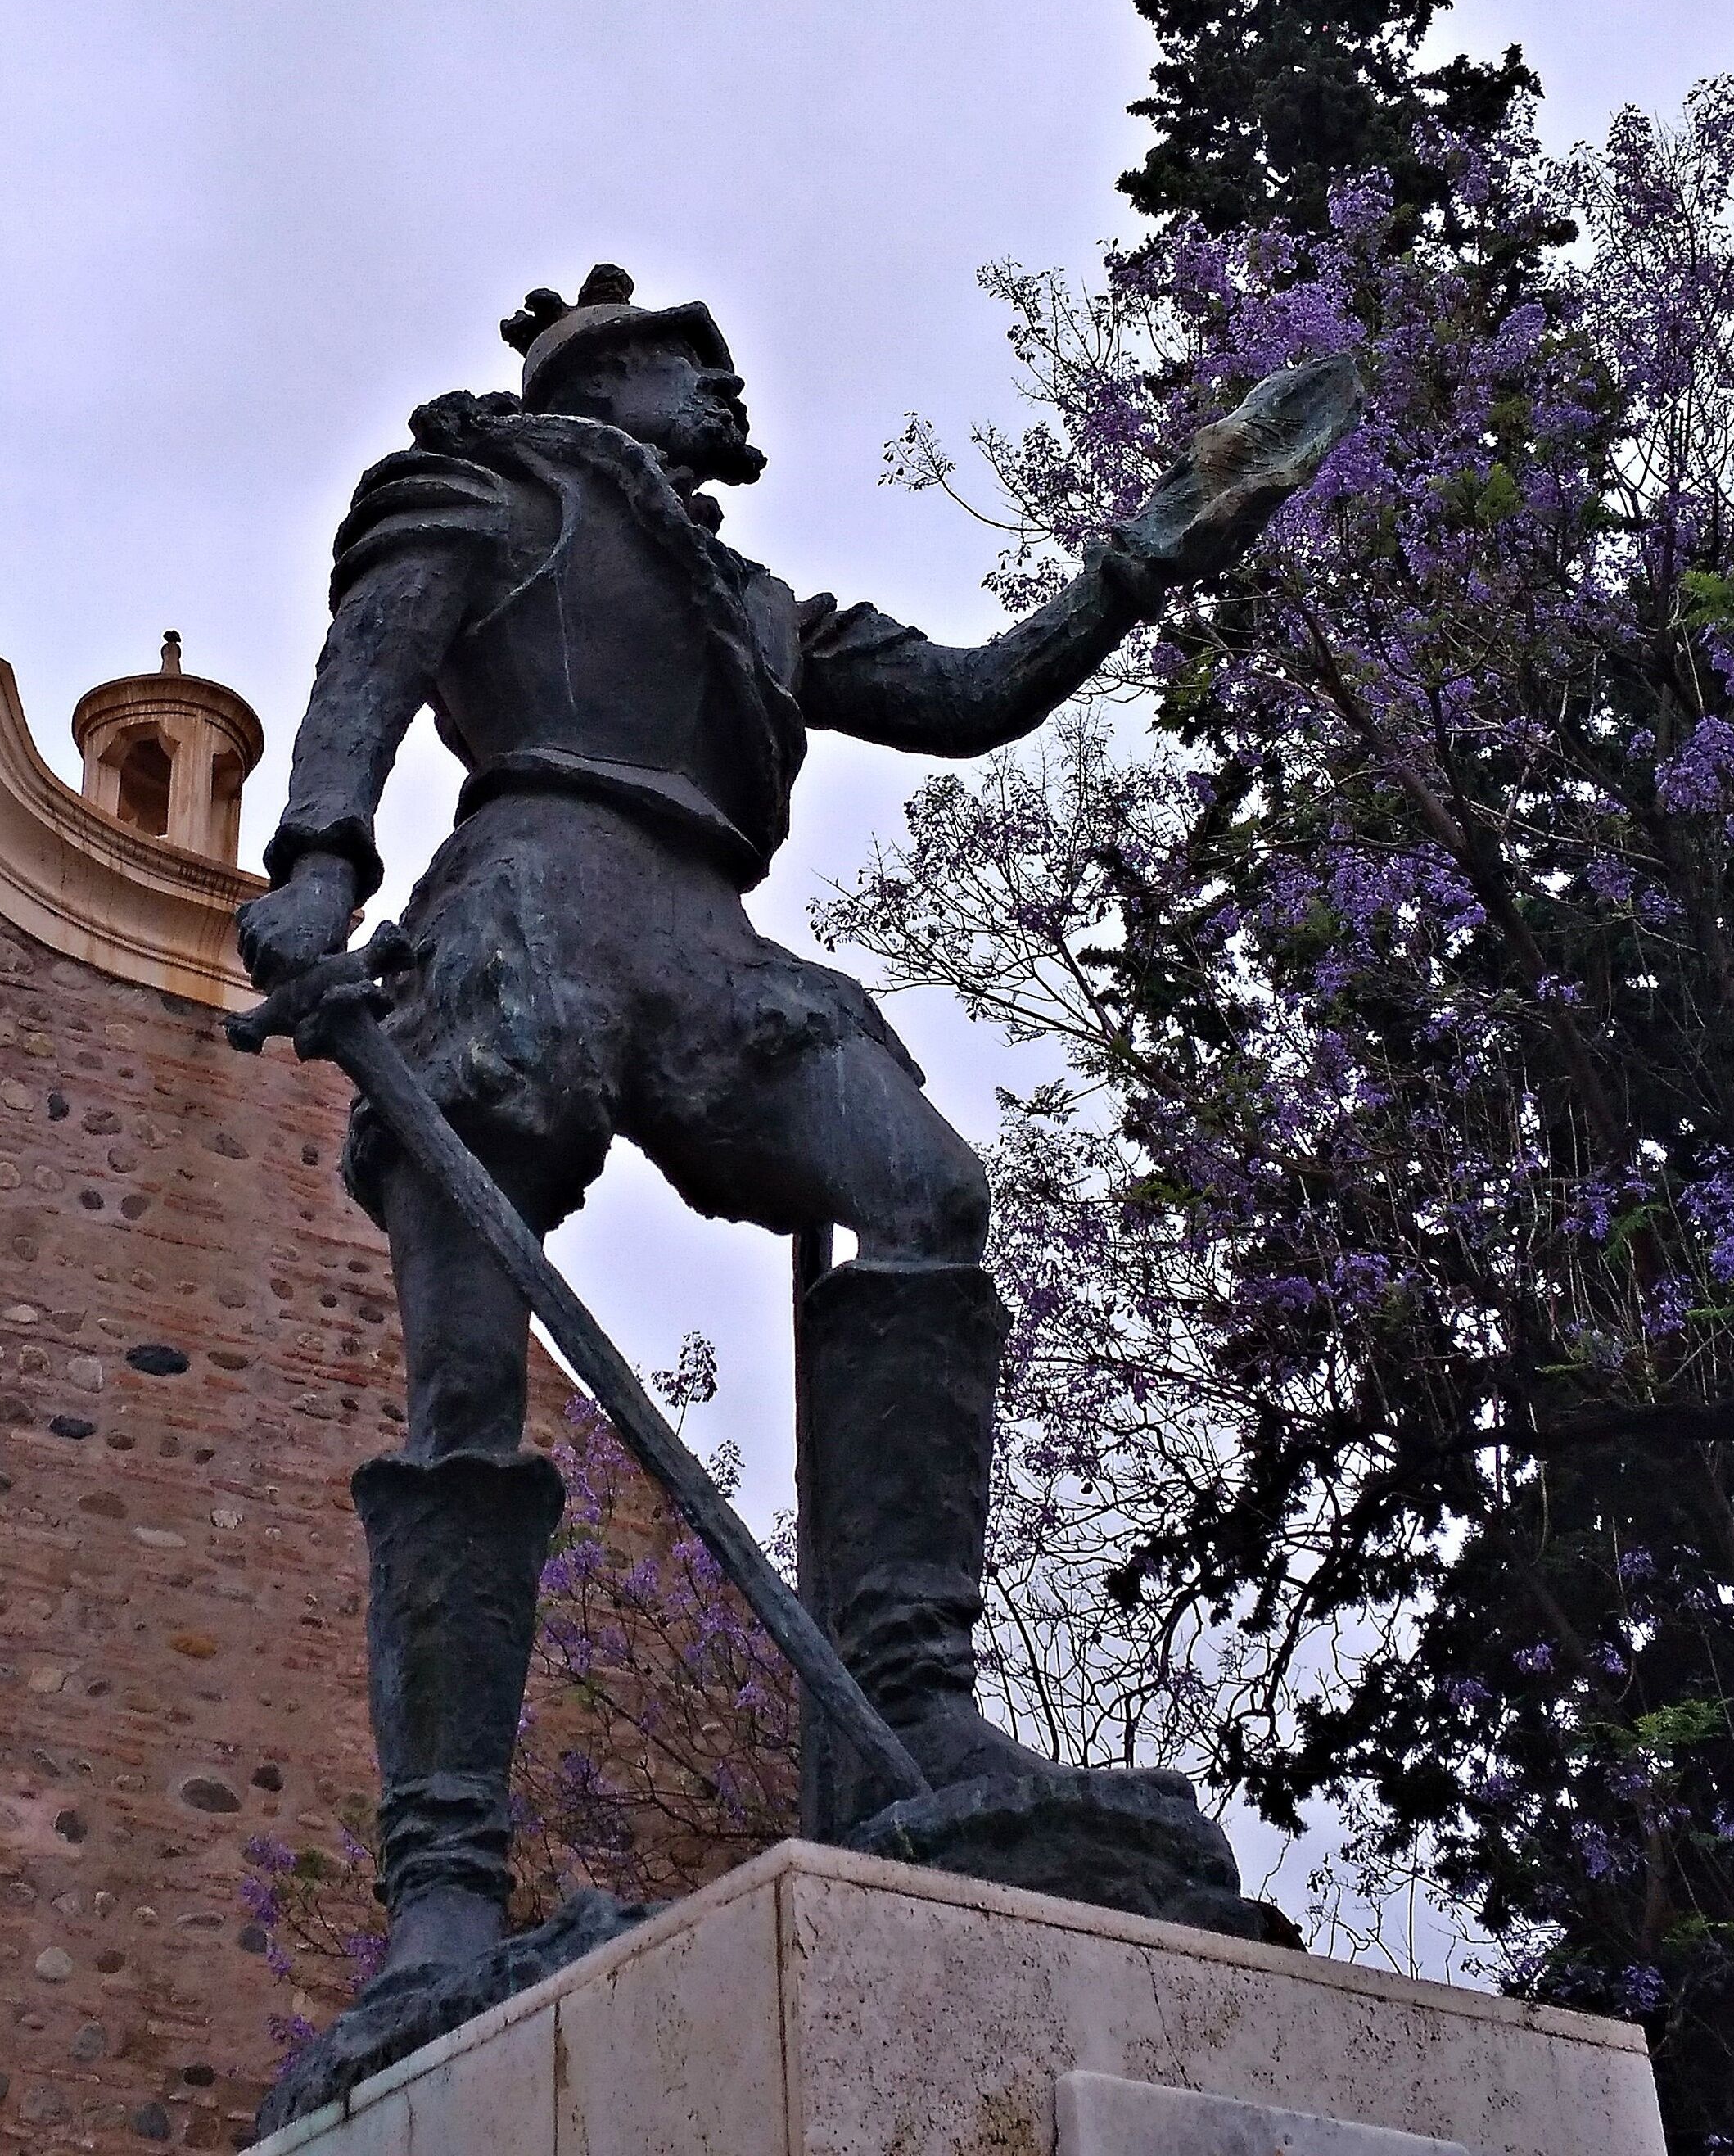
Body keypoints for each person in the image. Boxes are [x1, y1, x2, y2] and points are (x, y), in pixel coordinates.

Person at [237, 265, 1346, 1987]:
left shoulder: (756, 605)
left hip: (703, 941)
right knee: (463, 1393)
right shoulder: (492, 488)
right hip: (519, 906)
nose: (727, 407)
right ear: (617, 379)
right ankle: (443, 1885)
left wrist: (1152, 546)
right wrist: (321, 859)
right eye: (699, 375)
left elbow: (976, 698)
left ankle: (915, 1699)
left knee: (924, 1193)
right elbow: (367, 667)